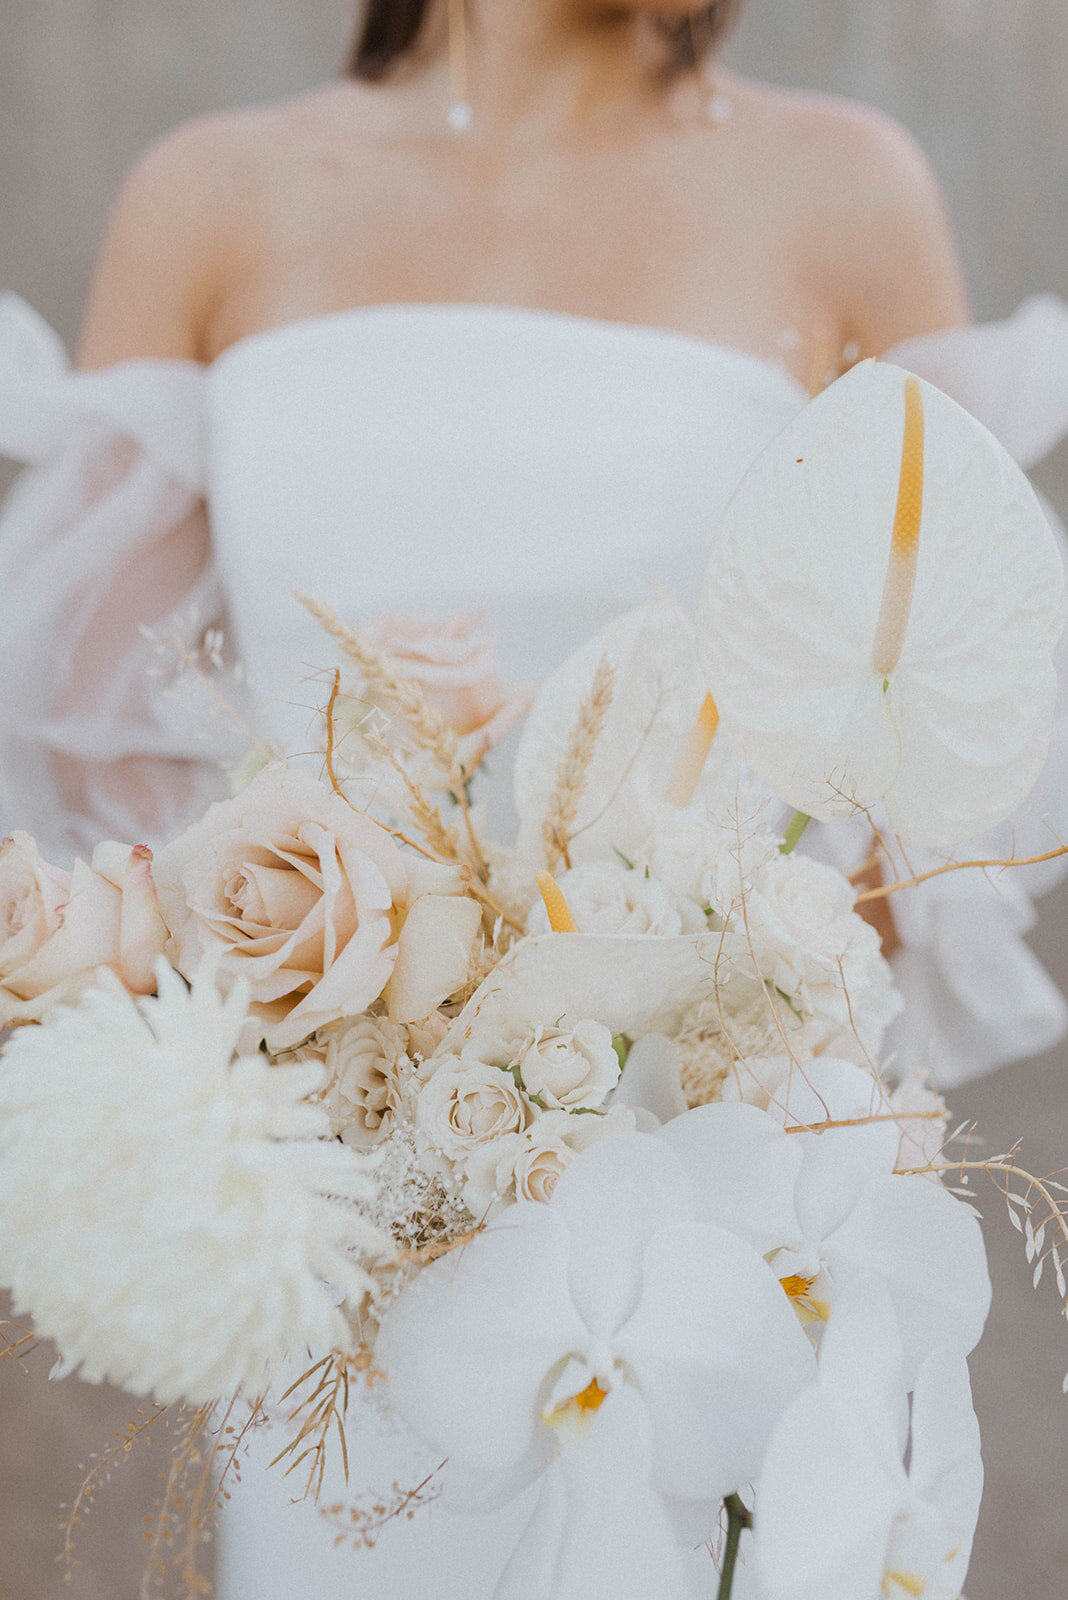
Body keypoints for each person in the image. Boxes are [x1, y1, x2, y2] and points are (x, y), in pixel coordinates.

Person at [1, 2, 1068, 1595]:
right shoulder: (210, 199)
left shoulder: (845, 186)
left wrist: (675, 1006)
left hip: (719, 1234)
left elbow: (921, 767)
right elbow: (122, 789)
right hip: (352, 1254)